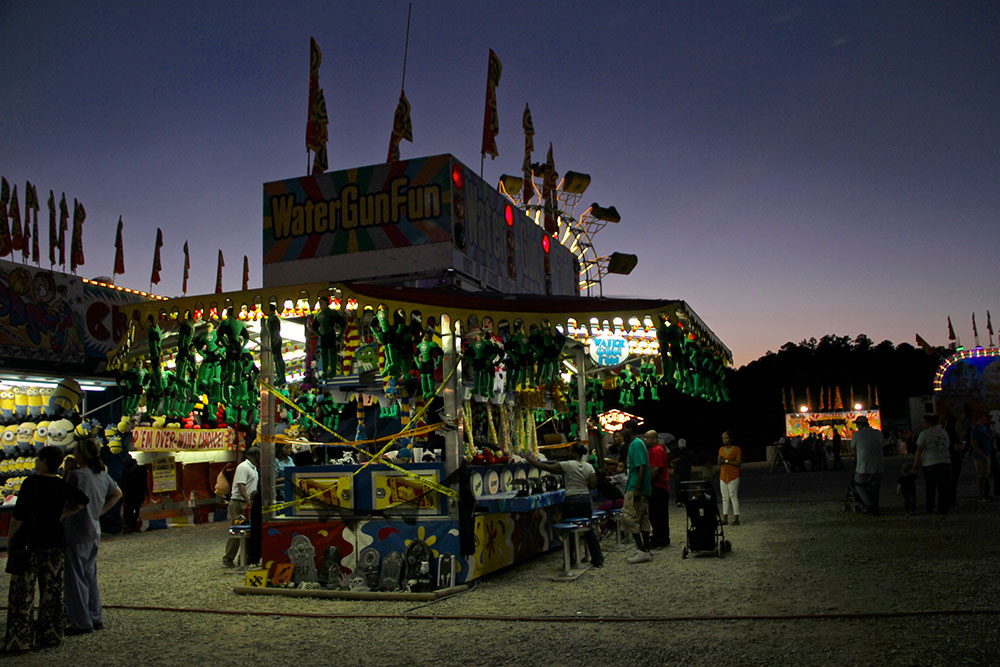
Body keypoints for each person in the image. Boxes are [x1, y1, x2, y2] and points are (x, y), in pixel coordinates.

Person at [4, 446, 88, 653]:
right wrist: (63, 515)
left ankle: (19, 639)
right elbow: (82, 501)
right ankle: (51, 633)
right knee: (52, 591)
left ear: (42, 461)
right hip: (54, 541)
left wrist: (10, 539)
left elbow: (18, 516)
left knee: (22, 593)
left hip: (29, 542)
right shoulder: (60, 485)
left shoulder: (31, 483)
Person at [63, 437, 123, 635]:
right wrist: (100, 511)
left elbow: (65, 495)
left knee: (75, 577)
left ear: (81, 454)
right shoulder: (102, 475)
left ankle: (81, 621)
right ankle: (95, 616)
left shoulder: (77, 476)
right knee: (90, 574)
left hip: (77, 528)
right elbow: (117, 493)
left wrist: (66, 472)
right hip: (94, 528)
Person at [527, 444, 603, 568]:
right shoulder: (589, 467)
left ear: (574, 453)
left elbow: (546, 467)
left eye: (570, 451)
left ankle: (570, 560)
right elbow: (593, 484)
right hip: (585, 499)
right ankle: (598, 559)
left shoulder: (567, 465)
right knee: (588, 529)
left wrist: (531, 461)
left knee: (569, 530)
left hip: (571, 499)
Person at [620, 421, 652, 563]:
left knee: (629, 517)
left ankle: (641, 549)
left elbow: (641, 467)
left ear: (630, 429)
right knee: (643, 518)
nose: (622, 432)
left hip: (635, 487)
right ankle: (646, 550)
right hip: (642, 488)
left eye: (624, 429)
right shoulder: (639, 443)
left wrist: (637, 489)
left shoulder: (635, 444)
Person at [223, 446, 259, 568]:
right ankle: (228, 558)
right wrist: (248, 501)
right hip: (239, 502)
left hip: (247, 502)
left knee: (247, 532)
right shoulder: (243, 467)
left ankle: (243, 559)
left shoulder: (253, 468)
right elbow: (241, 485)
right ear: (256, 456)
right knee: (237, 532)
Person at [912, 414, 951, 514]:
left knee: (930, 487)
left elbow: (919, 449)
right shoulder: (943, 432)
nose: (923, 424)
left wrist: (915, 464)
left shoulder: (924, 434)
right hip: (944, 461)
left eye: (923, 422)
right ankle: (943, 507)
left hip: (930, 462)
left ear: (928, 422)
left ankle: (930, 507)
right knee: (943, 487)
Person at [851, 415, 885, 515]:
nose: (857, 427)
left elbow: (853, 448)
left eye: (857, 424)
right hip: (878, 465)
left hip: (863, 466)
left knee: (859, 485)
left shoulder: (857, 435)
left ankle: (869, 504)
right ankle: (875, 507)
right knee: (875, 488)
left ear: (861, 425)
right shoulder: (878, 433)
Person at [646, 431, 671, 547]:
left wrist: (646, 482)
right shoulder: (658, 449)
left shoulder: (656, 451)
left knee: (657, 514)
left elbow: (656, 469)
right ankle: (661, 536)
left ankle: (660, 538)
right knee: (659, 514)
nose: (645, 440)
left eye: (647, 438)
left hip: (658, 486)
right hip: (660, 486)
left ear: (655, 439)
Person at [717, 431, 742, 525]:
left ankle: (736, 518)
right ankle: (725, 518)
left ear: (731, 439)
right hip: (723, 476)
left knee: (733, 496)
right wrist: (720, 461)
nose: (724, 440)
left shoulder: (736, 449)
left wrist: (726, 461)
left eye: (726, 438)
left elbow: (738, 463)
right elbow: (719, 461)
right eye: (723, 438)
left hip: (733, 476)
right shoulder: (721, 449)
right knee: (724, 497)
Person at [970, 415, 992, 503]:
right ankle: (981, 495)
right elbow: (974, 443)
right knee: (981, 475)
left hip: (986, 454)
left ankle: (985, 494)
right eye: (985, 418)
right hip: (981, 455)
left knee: (985, 475)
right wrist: (981, 454)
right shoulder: (976, 429)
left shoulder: (984, 428)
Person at [672, 438, 693, 506]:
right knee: (678, 486)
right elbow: (671, 461)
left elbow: (691, 460)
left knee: (685, 486)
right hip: (678, 471)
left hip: (686, 471)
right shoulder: (675, 451)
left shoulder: (687, 451)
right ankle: (679, 500)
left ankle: (685, 500)